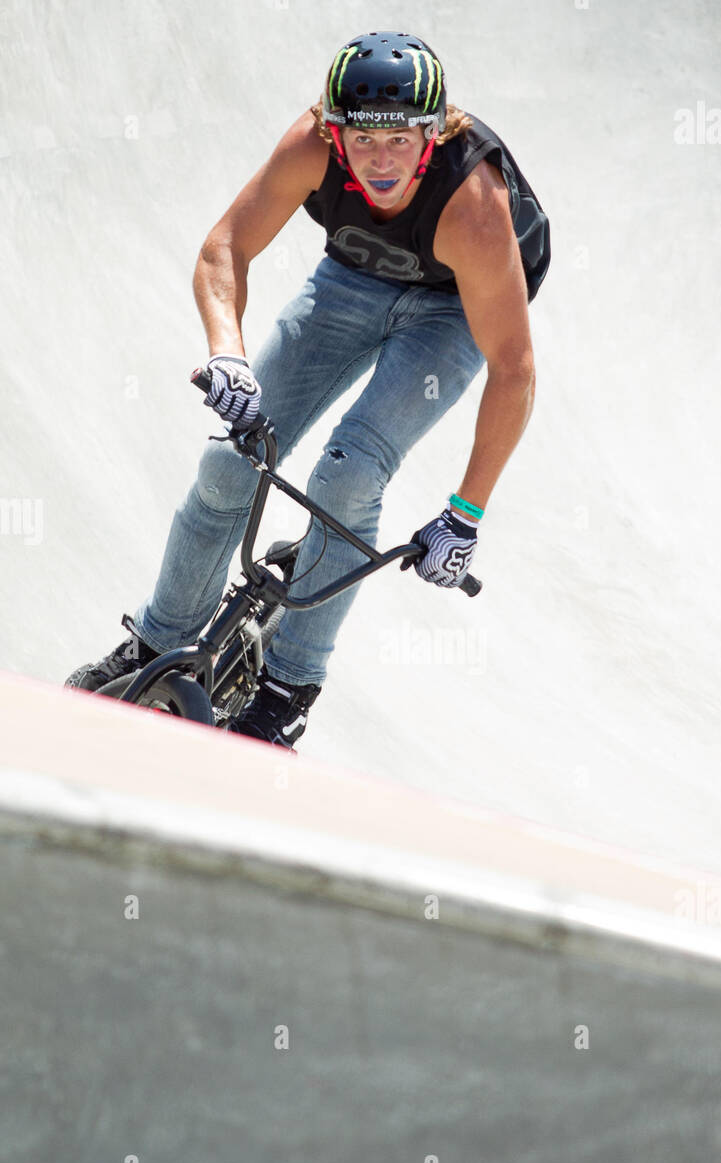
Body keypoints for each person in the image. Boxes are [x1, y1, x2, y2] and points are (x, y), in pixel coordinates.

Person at [66, 30, 551, 748]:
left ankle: (289, 687)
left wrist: (466, 514)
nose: (380, 160)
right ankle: (153, 645)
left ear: (435, 133)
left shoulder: (474, 208)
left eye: (400, 141)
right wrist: (227, 357)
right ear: (334, 131)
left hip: (454, 303)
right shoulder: (311, 149)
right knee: (231, 461)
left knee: (349, 475)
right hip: (356, 276)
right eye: (363, 140)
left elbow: (514, 368)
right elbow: (223, 247)